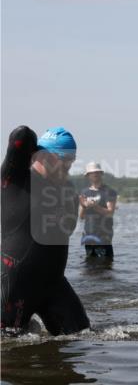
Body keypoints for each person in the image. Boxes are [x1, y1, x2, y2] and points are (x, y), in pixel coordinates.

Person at [2, 126, 90, 334]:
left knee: (81, 338)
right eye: (64, 157)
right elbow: (20, 136)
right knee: (9, 351)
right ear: (43, 155)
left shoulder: (67, 189)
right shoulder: (16, 179)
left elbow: (67, 229)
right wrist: (37, 148)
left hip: (53, 283)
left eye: (72, 157)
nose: (70, 163)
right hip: (15, 284)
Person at [78, 161, 118, 260]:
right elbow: (81, 217)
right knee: (89, 265)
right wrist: (83, 206)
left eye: (97, 172)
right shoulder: (84, 192)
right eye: (92, 172)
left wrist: (95, 207)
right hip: (89, 235)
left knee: (105, 264)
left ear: (101, 174)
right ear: (88, 175)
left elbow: (110, 213)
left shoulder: (109, 191)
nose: (95, 174)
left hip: (104, 235)